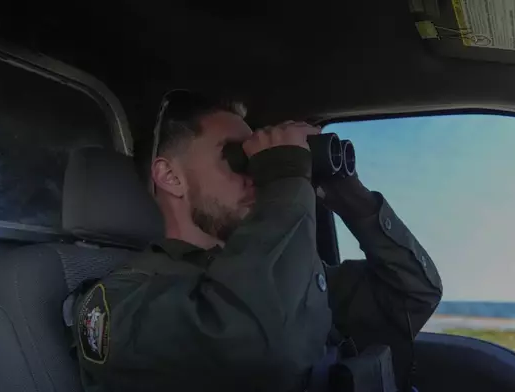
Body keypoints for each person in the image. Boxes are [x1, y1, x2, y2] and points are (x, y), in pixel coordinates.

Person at [72, 91, 443, 392]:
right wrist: (283, 176)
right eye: (236, 156)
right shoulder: (118, 303)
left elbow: (411, 297)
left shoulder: (282, 275)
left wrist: (353, 200)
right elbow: (263, 346)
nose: (256, 174)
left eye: (258, 158)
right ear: (170, 176)